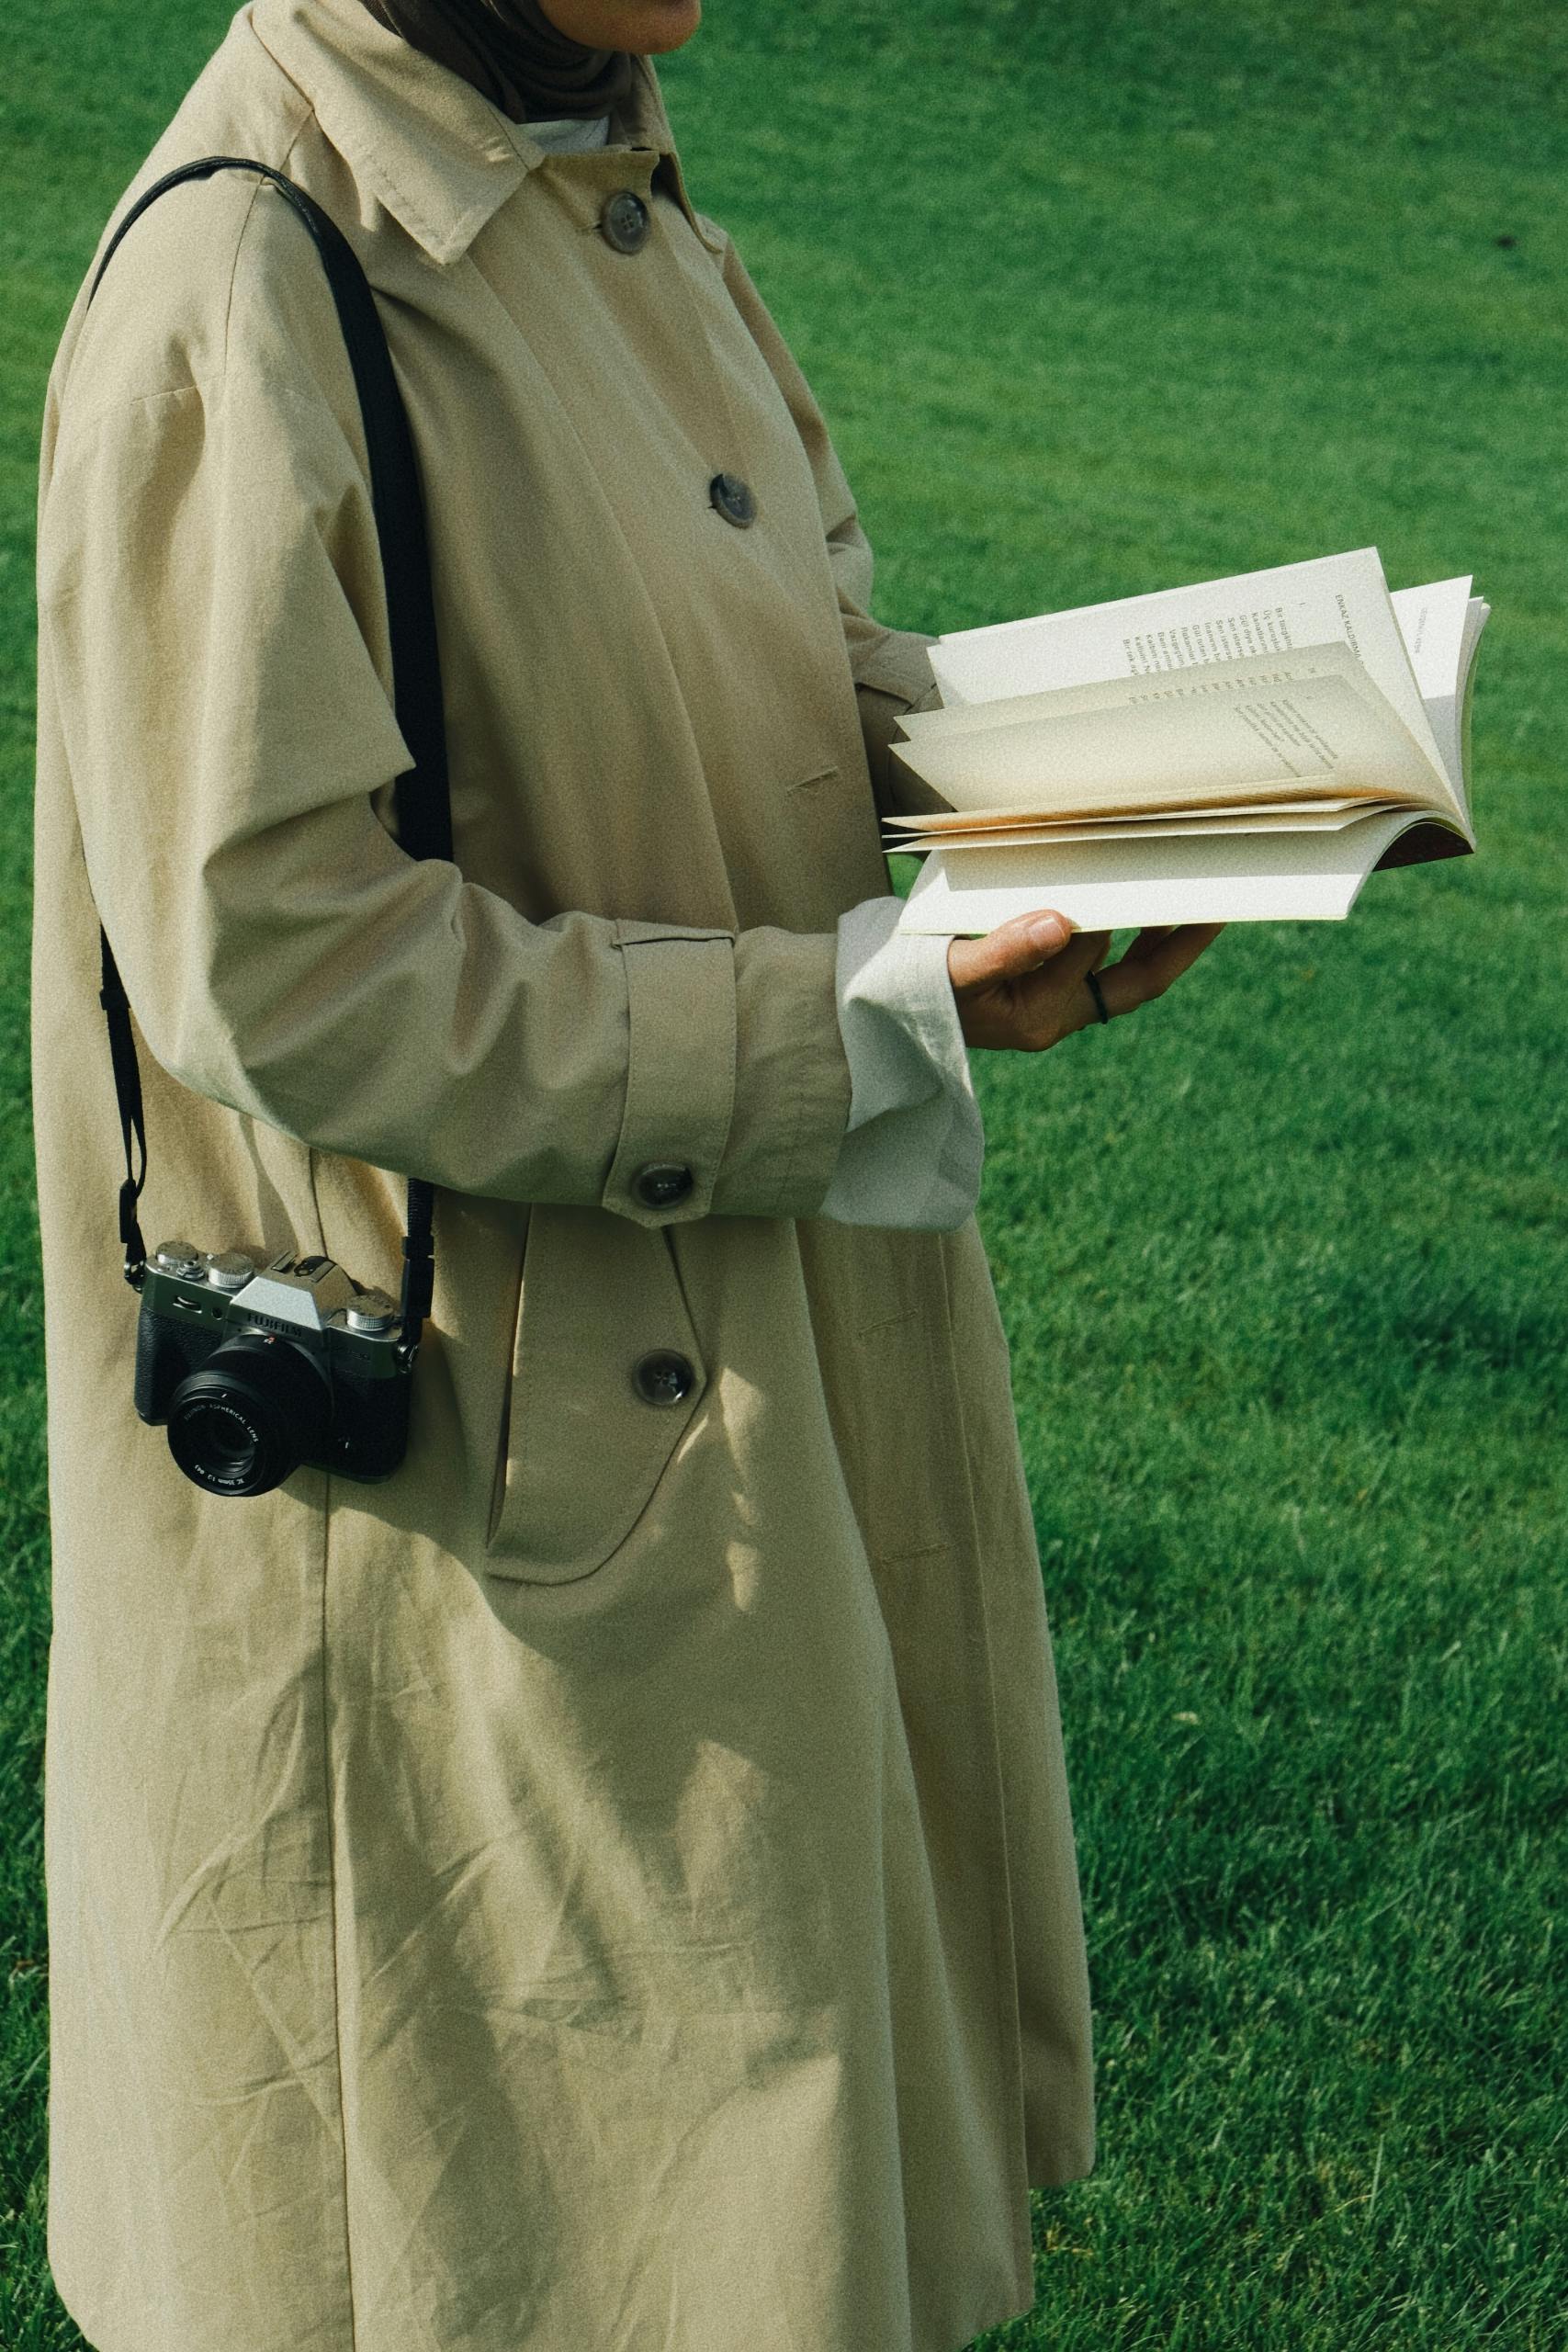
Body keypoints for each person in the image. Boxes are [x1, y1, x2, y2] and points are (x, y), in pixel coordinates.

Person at [29, 3, 1222, 2348]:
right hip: (488, 1503)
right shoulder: (240, 277)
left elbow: (784, 663)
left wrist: (1100, 801)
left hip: (708, 1424)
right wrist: (843, 1025)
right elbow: (283, 967)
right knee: (534, 2235)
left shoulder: (606, 187)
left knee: (736, 2211)